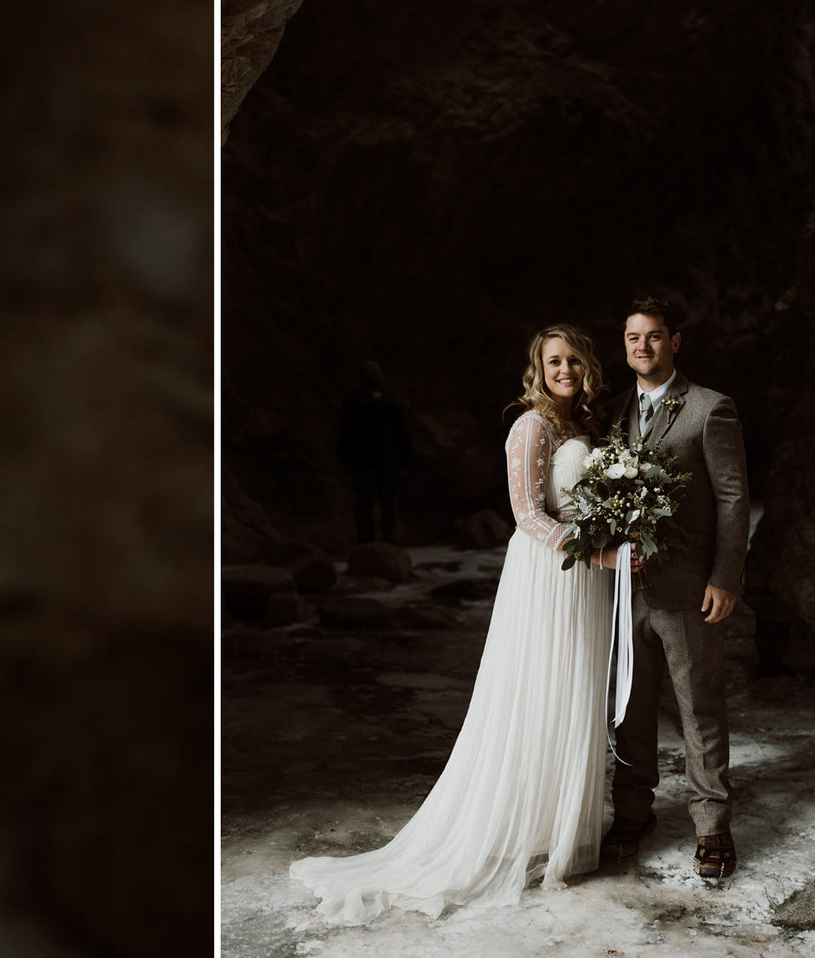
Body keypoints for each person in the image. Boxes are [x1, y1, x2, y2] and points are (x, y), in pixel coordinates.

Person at [290, 324, 620, 922]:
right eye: (553, 361)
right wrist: (596, 551)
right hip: (550, 575)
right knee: (537, 693)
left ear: (587, 366)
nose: (565, 369)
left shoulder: (586, 428)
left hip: (588, 579)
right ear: (538, 369)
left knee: (575, 694)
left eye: (573, 359)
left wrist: (611, 537)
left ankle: (559, 824)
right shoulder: (531, 425)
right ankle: (516, 829)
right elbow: (526, 517)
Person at [597, 297, 750, 880]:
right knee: (629, 708)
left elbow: (733, 498)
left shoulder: (711, 409)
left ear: (674, 342)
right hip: (624, 593)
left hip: (690, 589)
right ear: (625, 344)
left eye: (654, 337)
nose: (643, 346)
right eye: (633, 337)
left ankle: (712, 828)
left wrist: (725, 578)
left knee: (699, 708)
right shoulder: (612, 415)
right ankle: (632, 813)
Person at [336, 360, 410, 544]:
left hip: (361, 460)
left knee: (364, 504)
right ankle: (390, 541)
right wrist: (405, 461)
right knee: (388, 504)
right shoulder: (390, 399)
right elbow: (402, 433)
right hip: (388, 459)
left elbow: (345, 432)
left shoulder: (353, 400)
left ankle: (366, 543)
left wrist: (342, 459)